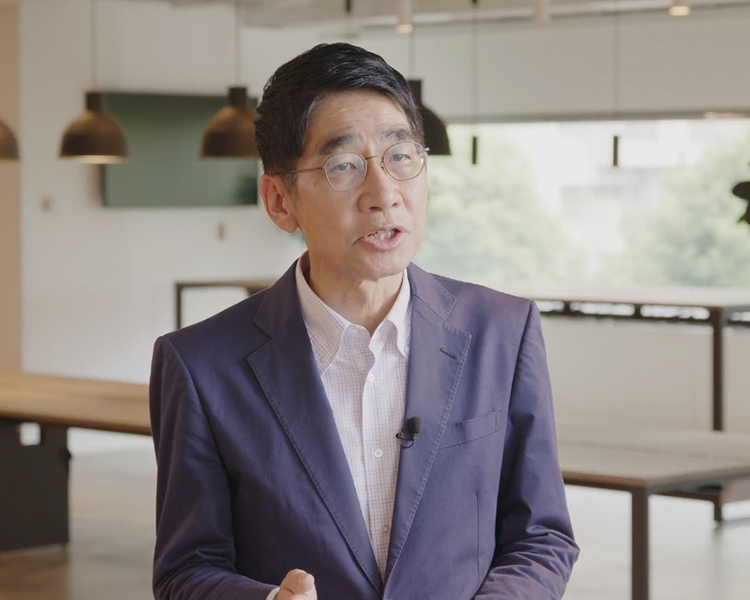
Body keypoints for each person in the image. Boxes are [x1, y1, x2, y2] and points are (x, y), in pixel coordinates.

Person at [149, 42, 579, 600]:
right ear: (280, 200)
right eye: (344, 166)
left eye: (400, 157)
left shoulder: (503, 330)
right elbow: (186, 571)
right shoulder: (201, 365)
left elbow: (541, 537)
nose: (384, 195)